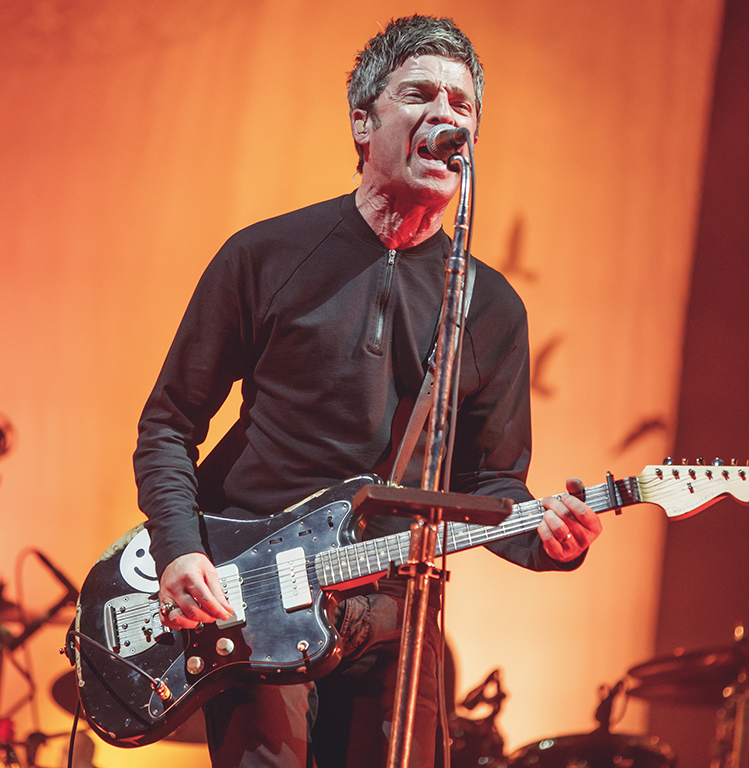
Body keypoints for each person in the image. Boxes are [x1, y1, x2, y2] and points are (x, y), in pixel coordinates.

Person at [133, 14, 603, 768]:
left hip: (397, 607)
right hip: (255, 593)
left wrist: (553, 541)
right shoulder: (265, 255)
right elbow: (168, 424)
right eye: (421, 94)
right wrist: (180, 551)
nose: (447, 116)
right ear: (363, 122)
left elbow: (493, 487)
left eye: (464, 106)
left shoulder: (489, 308)